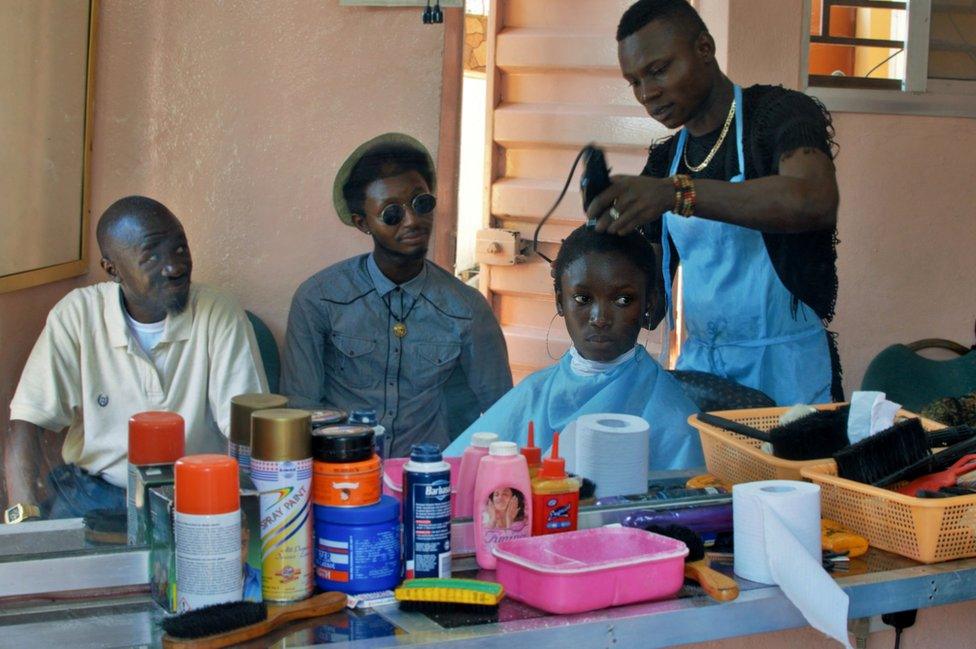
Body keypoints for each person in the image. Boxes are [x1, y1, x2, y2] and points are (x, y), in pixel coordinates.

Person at [586, 0, 842, 406]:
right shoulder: (665, 159)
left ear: (704, 49)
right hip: (703, 372)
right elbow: (650, 305)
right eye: (634, 81)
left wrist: (677, 194)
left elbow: (813, 200)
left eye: (658, 70)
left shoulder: (777, 116)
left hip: (786, 368)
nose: (647, 93)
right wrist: (603, 256)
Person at [4, 196, 267, 519]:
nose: (175, 266)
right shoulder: (78, 314)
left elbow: (250, 437)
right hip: (94, 494)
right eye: (152, 256)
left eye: (180, 248)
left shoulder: (218, 313)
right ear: (112, 269)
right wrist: (23, 519)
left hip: (191, 494)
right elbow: (27, 423)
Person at [281, 133, 512, 457]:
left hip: (430, 479)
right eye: (391, 213)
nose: (413, 220)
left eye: (422, 203)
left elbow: (505, 412)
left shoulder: (467, 309)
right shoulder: (318, 300)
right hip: (341, 476)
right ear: (363, 223)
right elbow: (299, 413)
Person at [446, 226, 704, 471]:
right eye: (583, 299)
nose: (600, 317)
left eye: (622, 300)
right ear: (560, 301)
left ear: (650, 303)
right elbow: (456, 473)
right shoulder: (532, 394)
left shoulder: (673, 417)